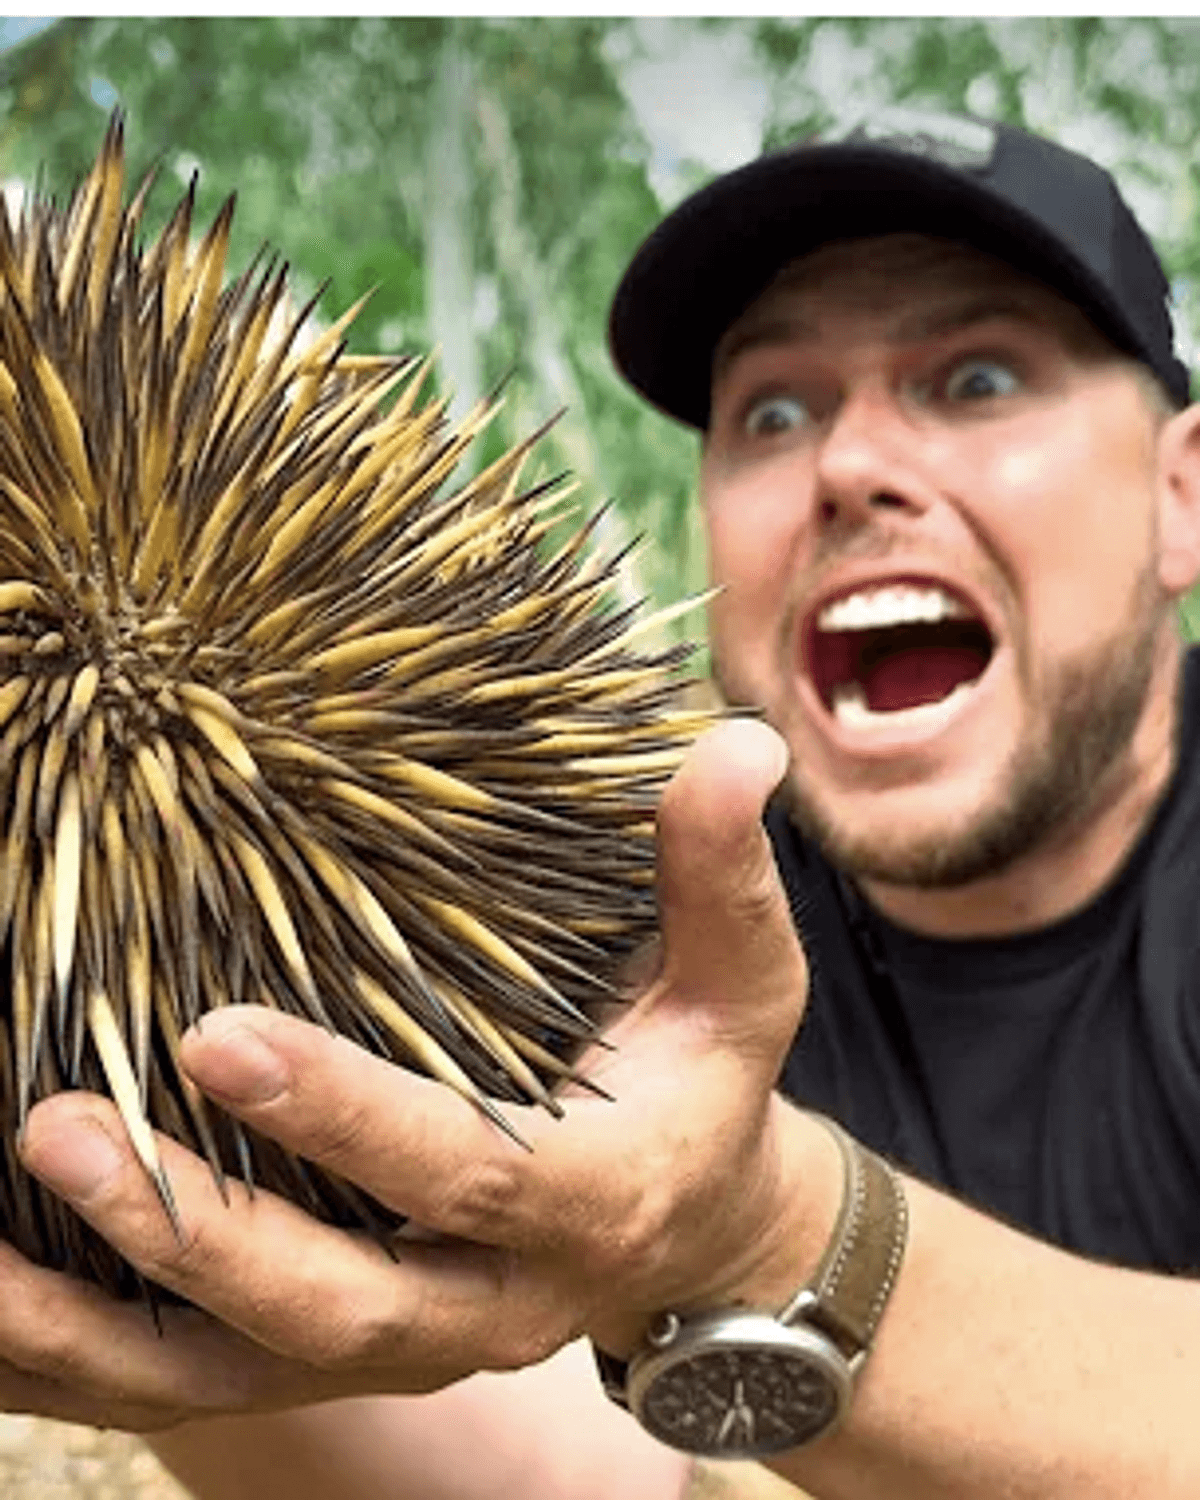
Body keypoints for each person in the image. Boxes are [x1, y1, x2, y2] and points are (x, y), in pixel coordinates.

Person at [5, 109, 1200, 1499]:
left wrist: (759, 1240)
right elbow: (575, 1472)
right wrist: (139, 1243)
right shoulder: (627, 921)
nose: (850, 466)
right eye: (774, 408)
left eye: (980, 378)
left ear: (1184, 495)